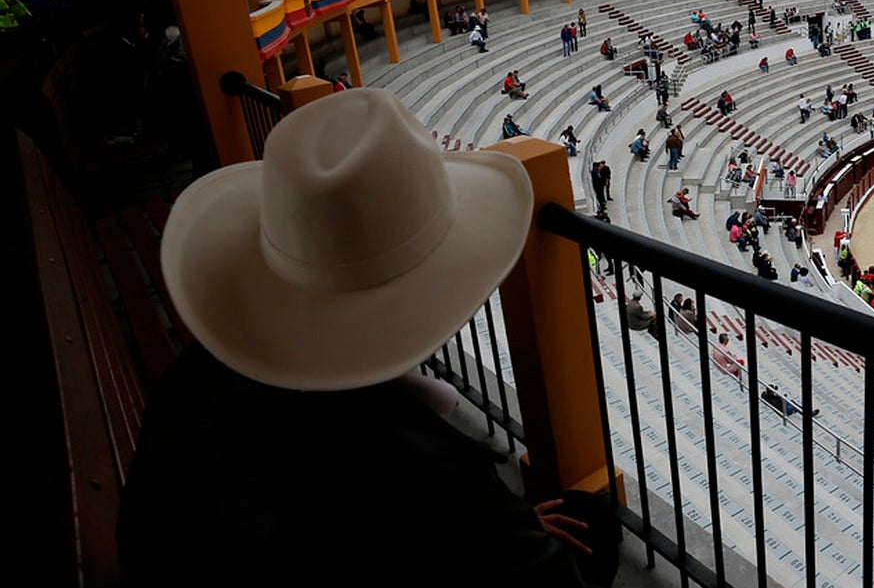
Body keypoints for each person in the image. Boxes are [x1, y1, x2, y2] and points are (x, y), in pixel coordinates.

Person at [117, 90, 618, 588]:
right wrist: (508, 532)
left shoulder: (194, 380)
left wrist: (508, 527)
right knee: (591, 525)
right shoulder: (435, 489)